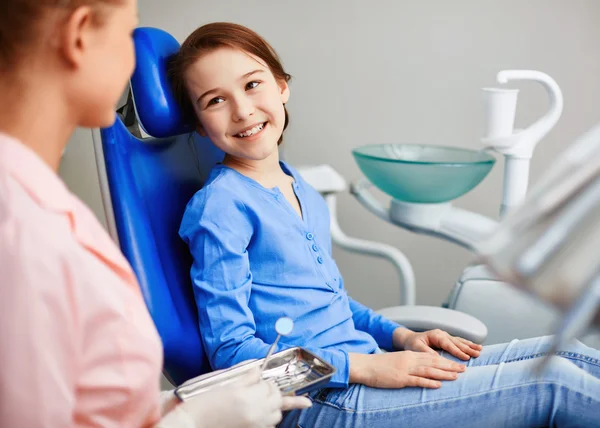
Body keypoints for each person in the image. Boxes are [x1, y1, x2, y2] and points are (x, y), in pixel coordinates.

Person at [172, 22, 600, 427]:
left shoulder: (295, 185)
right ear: (198, 123)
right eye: (215, 100)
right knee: (553, 384)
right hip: (314, 401)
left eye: (251, 84)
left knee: (567, 353)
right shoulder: (222, 207)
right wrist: (364, 366)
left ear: (282, 87)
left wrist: (399, 336)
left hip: (360, 367)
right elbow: (233, 357)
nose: (243, 110)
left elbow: (334, 303)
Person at [0, 1, 311, 427]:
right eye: (130, 33)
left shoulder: (43, 203)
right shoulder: (20, 232)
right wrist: (192, 423)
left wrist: (169, 411)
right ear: (80, 35)